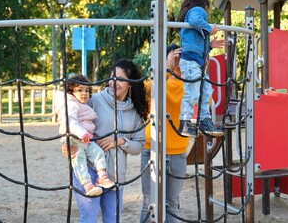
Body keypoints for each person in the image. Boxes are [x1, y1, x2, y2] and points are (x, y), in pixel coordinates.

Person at [62, 59, 149, 223]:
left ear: (130, 83)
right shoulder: (94, 100)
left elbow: (138, 146)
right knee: (88, 218)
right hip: (89, 172)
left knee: (113, 220)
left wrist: (121, 141)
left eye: (120, 79)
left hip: (116, 175)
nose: (113, 82)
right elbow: (71, 121)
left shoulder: (135, 113)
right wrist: (67, 144)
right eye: (111, 77)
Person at [140, 43, 188, 223]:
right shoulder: (157, 79)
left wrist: (194, 70)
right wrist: (167, 67)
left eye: (179, 57)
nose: (177, 61)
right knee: (148, 201)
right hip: (151, 148)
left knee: (172, 202)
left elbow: (205, 101)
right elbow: (149, 90)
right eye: (174, 57)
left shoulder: (189, 83)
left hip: (177, 152)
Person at [54, 74, 114, 197]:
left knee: (98, 153)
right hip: (75, 140)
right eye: (80, 90)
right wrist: (82, 133)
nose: (84, 93)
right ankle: (87, 185)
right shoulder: (71, 104)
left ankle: (102, 176)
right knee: (79, 160)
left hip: (86, 139)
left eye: (87, 90)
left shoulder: (83, 104)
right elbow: (70, 122)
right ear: (71, 92)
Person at [177, 0, 225, 138]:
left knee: (205, 92)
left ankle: (205, 119)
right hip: (191, 61)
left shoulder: (191, 15)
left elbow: (196, 42)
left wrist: (210, 45)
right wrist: (210, 28)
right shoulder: (197, 10)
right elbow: (195, 21)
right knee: (192, 92)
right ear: (205, 6)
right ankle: (185, 122)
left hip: (196, 60)